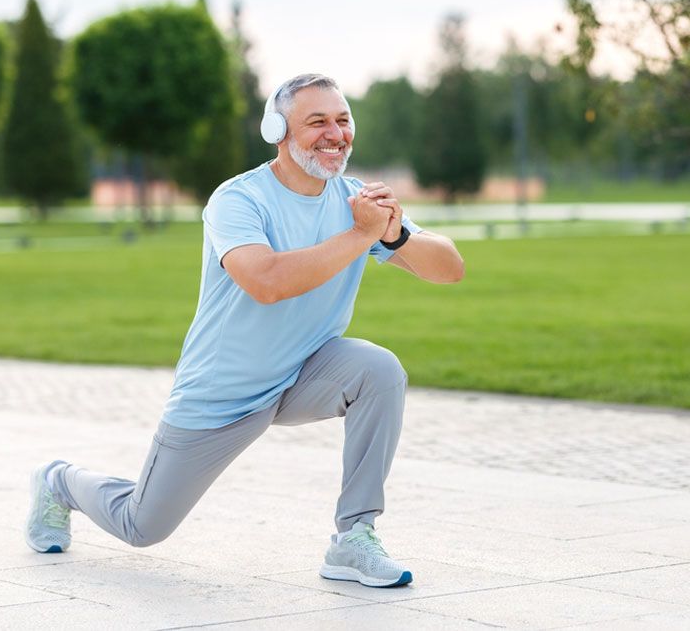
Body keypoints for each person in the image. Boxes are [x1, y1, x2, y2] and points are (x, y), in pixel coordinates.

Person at [25, 73, 464, 588]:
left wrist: (395, 231)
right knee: (142, 526)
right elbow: (267, 281)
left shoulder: (355, 204)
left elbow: (449, 268)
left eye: (343, 120)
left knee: (378, 370)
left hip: (303, 375)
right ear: (276, 129)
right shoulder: (238, 199)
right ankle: (59, 482)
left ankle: (354, 538)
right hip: (223, 393)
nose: (335, 134)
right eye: (317, 121)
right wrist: (362, 234)